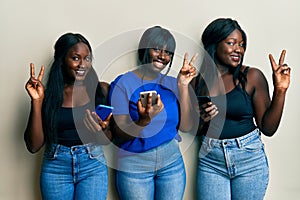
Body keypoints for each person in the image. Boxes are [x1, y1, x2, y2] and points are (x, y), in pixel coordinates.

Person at [193, 18, 291, 200]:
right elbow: (192, 130)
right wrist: (203, 120)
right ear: (214, 44)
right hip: (211, 162)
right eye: (231, 43)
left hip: (249, 161)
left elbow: (268, 128)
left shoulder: (252, 76)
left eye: (242, 44)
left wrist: (280, 91)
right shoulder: (198, 82)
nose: (238, 49)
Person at [109, 26, 198, 200]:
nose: (163, 56)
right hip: (134, 167)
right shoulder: (122, 84)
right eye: (157, 49)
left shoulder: (173, 83)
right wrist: (143, 120)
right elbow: (117, 135)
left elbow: (187, 127)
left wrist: (183, 86)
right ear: (144, 49)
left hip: (171, 164)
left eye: (168, 52)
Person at [24, 33, 112, 200]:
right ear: (62, 61)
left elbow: (107, 140)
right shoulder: (48, 96)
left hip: (92, 165)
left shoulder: (100, 91)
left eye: (87, 59)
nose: (83, 64)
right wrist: (37, 101)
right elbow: (34, 146)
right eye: (76, 58)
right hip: (56, 167)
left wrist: (102, 130)